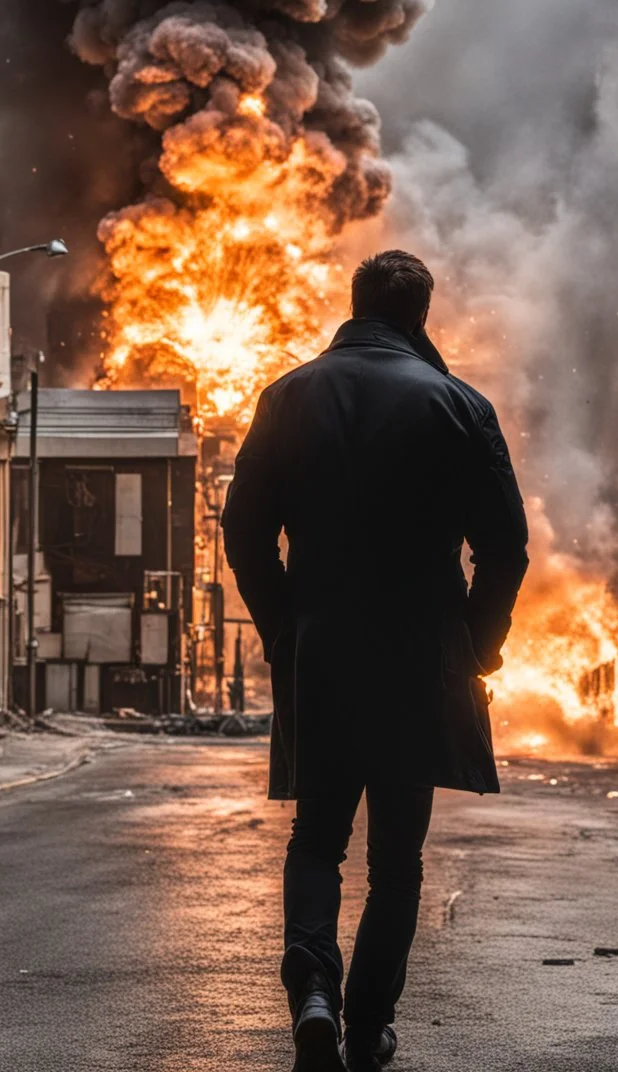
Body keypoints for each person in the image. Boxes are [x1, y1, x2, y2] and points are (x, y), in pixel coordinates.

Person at [222, 250, 529, 1072]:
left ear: (353, 305)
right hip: (419, 662)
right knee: (398, 858)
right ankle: (365, 1027)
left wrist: (286, 627)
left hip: (322, 653)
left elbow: (243, 532)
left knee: (316, 838)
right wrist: (475, 644)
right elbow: (506, 548)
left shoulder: (287, 396)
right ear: (420, 317)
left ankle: (313, 989)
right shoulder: (461, 405)